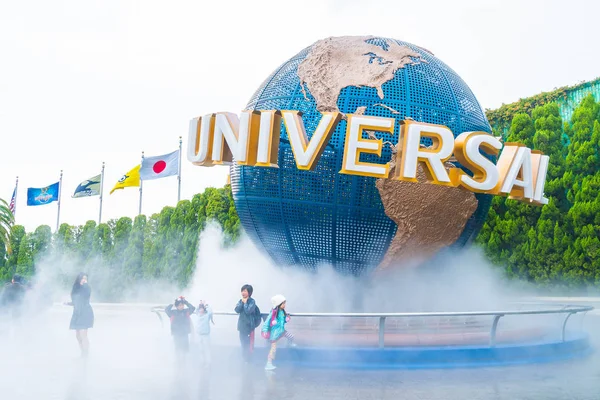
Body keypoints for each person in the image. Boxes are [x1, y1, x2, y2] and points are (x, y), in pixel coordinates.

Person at [262, 294, 295, 371]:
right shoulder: (274, 313)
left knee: (291, 336)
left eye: (285, 303)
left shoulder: (282, 312)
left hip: (281, 331)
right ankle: (268, 363)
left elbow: (282, 321)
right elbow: (267, 322)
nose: (284, 305)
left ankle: (289, 344)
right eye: (283, 303)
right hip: (275, 334)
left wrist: (286, 319)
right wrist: (264, 330)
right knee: (273, 349)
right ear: (278, 304)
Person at [68, 272, 94, 358]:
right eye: (83, 278)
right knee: (78, 336)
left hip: (85, 312)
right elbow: (76, 301)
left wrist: (85, 284)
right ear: (79, 279)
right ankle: (83, 352)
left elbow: (86, 296)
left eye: (86, 279)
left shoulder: (86, 288)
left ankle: (86, 355)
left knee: (83, 335)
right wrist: (69, 303)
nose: (84, 280)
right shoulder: (75, 289)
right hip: (77, 313)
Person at [234, 284, 260, 362]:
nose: (243, 293)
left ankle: (249, 360)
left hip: (249, 327)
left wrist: (245, 304)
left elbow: (248, 311)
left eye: (245, 291)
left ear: (249, 292)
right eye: (242, 291)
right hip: (242, 327)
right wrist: (242, 303)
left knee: (249, 345)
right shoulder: (240, 300)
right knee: (243, 344)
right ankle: (244, 360)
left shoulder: (252, 301)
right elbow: (237, 310)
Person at [191, 300, 214, 367]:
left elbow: (210, 311)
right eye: (200, 309)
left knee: (207, 349)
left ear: (204, 310)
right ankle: (202, 362)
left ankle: (208, 362)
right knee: (201, 349)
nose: (201, 310)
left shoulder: (207, 315)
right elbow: (196, 309)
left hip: (206, 335)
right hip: (199, 335)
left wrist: (206, 305)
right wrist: (200, 304)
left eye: (202, 309)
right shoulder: (198, 315)